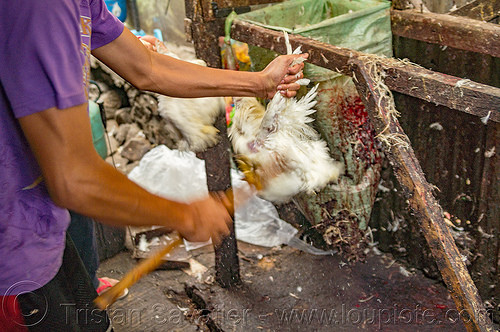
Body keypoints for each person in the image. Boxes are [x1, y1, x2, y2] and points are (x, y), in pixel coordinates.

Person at [0, 0, 306, 331]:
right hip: (10, 244)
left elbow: (146, 66)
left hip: (34, 216)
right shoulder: (41, 6)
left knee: (88, 317)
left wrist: (260, 82)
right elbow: (74, 177)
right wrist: (185, 215)